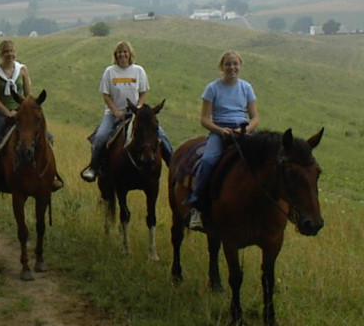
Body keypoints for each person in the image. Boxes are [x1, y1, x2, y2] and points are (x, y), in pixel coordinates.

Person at [0, 40, 62, 203]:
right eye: (6, 51)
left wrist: (23, 112)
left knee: (48, 137)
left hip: (22, 115)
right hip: (0, 114)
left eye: (12, 51)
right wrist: (8, 113)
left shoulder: (22, 70)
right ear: (1, 54)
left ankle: (51, 176)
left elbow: (28, 95)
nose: (10, 54)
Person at [80, 40, 173, 182]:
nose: (122, 55)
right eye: (119, 52)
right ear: (115, 55)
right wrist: (116, 111)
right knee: (101, 136)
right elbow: (106, 95)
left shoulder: (139, 71)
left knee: (161, 135)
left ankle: (173, 164)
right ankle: (93, 168)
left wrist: (139, 108)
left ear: (130, 54)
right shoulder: (109, 72)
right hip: (113, 113)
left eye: (125, 52)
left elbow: (143, 93)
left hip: (137, 114)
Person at [187, 50, 259, 230]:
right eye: (228, 64)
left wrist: (245, 130)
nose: (232, 67)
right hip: (220, 131)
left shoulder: (246, 88)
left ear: (240, 66)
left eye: (235, 64)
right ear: (221, 67)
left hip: (243, 131)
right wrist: (220, 130)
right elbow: (204, 119)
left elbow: (255, 117)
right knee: (208, 160)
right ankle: (196, 206)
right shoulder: (212, 88)